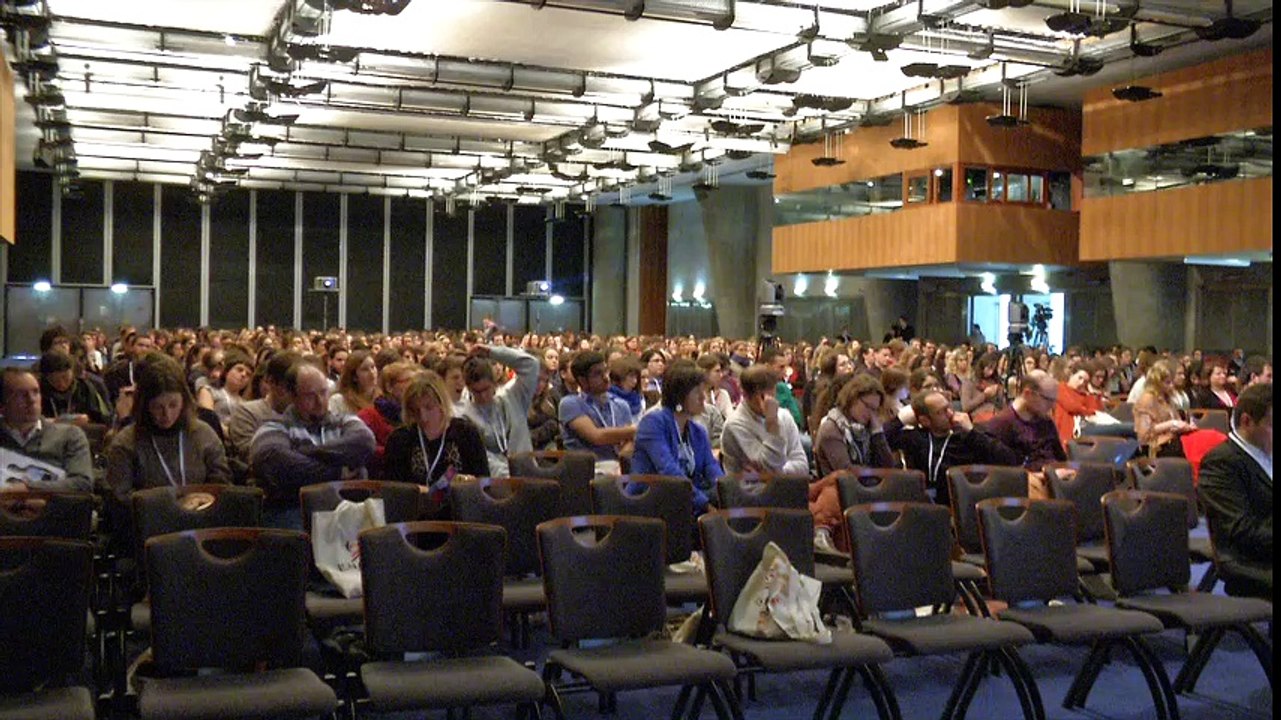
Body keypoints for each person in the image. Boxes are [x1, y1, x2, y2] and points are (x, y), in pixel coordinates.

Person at [249, 363, 376, 529]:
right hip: (294, 511)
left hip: (345, 509)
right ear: (292, 396)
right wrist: (339, 472)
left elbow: (364, 443)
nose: (320, 401)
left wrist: (303, 452)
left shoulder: (344, 421)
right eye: (310, 396)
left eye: (324, 392)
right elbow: (277, 463)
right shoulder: (274, 427)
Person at [104, 356, 231, 511]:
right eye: (158, 407)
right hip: (149, 524)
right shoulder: (126, 443)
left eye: (173, 405)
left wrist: (204, 498)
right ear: (145, 406)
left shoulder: (203, 434)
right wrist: (170, 506)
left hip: (201, 518)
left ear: (184, 402)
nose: (167, 415)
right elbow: (120, 498)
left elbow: (221, 482)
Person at [1197, 383, 1271, 600]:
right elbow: (1241, 530)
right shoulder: (1222, 462)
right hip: (1248, 560)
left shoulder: (1267, 451)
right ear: (1247, 421)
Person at [886, 390, 1021, 506]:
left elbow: (1008, 459)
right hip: (925, 507)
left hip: (963, 506)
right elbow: (881, 438)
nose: (950, 414)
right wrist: (901, 419)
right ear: (925, 421)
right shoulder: (916, 438)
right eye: (941, 412)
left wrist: (972, 432)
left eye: (949, 407)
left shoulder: (968, 436)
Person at [384, 372, 489, 514]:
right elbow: (393, 488)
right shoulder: (400, 439)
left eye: (429, 408)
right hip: (416, 515)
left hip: (460, 513)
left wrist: (469, 483)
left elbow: (484, 479)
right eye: (415, 410)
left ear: (442, 404)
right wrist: (416, 491)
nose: (423, 417)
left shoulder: (465, 432)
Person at [630, 361, 724, 515]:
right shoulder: (653, 423)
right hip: (653, 501)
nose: (703, 397)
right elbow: (668, 471)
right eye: (697, 392)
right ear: (679, 396)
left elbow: (712, 467)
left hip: (686, 499)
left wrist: (726, 491)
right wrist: (705, 505)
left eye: (704, 391)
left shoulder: (697, 431)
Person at [0, 367, 93, 493]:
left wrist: (27, 489)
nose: (32, 400)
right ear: (3, 404)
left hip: (54, 509)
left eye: (36, 392)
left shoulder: (69, 435)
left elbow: (82, 483)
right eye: (21, 395)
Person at [456, 344, 539, 477]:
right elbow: (483, 456)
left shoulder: (513, 396)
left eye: (486, 389)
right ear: (468, 388)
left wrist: (492, 352)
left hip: (528, 474)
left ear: (494, 382)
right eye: (477, 391)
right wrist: (509, 477)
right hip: (496, 483)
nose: (483, 396)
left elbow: (531, 364)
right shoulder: (464, 416)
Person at [720, 365, 809, 476]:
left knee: (831, 483)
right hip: (750, 490)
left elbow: (802, 466)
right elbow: (769, 465)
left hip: (787, 487)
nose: (771, 401)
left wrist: (779, 471)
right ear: (746, 395)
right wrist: (772, 425)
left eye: (773, 395)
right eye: (763, 397)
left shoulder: (784, 416)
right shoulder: (735, 425)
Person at [558, 351, 636, 474]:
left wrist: (622, 461)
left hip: (619, 469)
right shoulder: (570, 403)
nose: (606, 378)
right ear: (582, 380)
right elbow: (597, 437)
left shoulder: (621, 404)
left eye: (606, 371)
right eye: (597, 374)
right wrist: (637, 429)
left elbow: (631, 441)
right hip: (586, 473)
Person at [981, 370, 1067, 480]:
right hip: (1029, 486)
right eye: (1048, 400)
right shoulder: (1002, 424)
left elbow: (1061, 460)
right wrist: (1046, 477)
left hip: (1056, 480)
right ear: (1028, 394)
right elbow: (1001, 476)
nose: (1053, 406)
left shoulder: (1046, 422)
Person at [226, 351, 298, 465]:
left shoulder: (304, 413)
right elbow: (255, 458)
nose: (295, 393)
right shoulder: (247, 412)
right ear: (271, 382)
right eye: (289, 387)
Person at [813, 374, 893, 476]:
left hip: (870, 487)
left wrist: (878, 433)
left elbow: (888, 467)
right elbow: (846, 472)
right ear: (853, 398)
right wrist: (877, 473)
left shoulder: (867, 427)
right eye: (867, 406)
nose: (871, 414)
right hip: (842, 489)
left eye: (875, 409)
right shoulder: (832, 429)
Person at [356, 361, 421, 477]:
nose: (415, 386)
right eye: (409, 381)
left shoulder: (419, 415)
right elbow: (364, 449)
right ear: (389, 387)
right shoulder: (368, 415)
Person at [1134, 362, 1195, 457]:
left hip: (1173, 439)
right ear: (1157, 383)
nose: (1171, 386)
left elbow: (1177, 421)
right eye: (1167, 383)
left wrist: (1186, 426)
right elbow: (1144, 432)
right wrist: (1171, 424)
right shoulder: (1146, 400)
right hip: (1157, 445)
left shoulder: (1167, 398)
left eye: (1171, 382)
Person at [37, 350, 112, 426]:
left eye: (65, 378)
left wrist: (88, 419)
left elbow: (104, 418)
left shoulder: (84, 387)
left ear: (72, 372)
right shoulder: (38, 391)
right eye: (54, 380)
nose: (61, 384)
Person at [195, 350, 252, 428]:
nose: (243, 374)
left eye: (248, 374)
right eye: (239, 370)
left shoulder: (246, 404)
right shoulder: (209, 390)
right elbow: (207, 420)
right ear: (227, 372)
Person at [1053, 365, 1104, 447]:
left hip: (1086, 427)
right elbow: (1072, 407)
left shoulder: (1085, 395)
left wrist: (1091, 394)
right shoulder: (1061, 388)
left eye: (1085, 381)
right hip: (1071, 431)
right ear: (1072, 375)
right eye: (1080, 378)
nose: (1081, 383)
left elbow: (1097, 411)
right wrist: (1085, 410)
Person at [328, 350, 379, 416]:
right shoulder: (339, 401)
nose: (372, 372)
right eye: (365, 369)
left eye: (373, 367)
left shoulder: (381, 398)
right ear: (354, 376)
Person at [527, 357, 562, 452]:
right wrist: (549, 428)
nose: (541, 385)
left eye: (545, 381)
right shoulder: (516, 403)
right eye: (537, 380)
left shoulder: (548, 400)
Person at [961, 351, 1006, 423]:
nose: (990, 372)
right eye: (989, 368)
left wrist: (999, 391)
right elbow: (966, 407)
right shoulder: (969, 382)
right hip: (980, 416)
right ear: (982, 366)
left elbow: (1002, 405)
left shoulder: (994, 381)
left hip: (996, 414)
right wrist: (984, 395)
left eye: (993, 369)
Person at [606, 355, 645, 423]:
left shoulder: (638, 397)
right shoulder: (609, 399)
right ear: (619, 377)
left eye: (636, 377)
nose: (635, 381)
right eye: (631, 376)